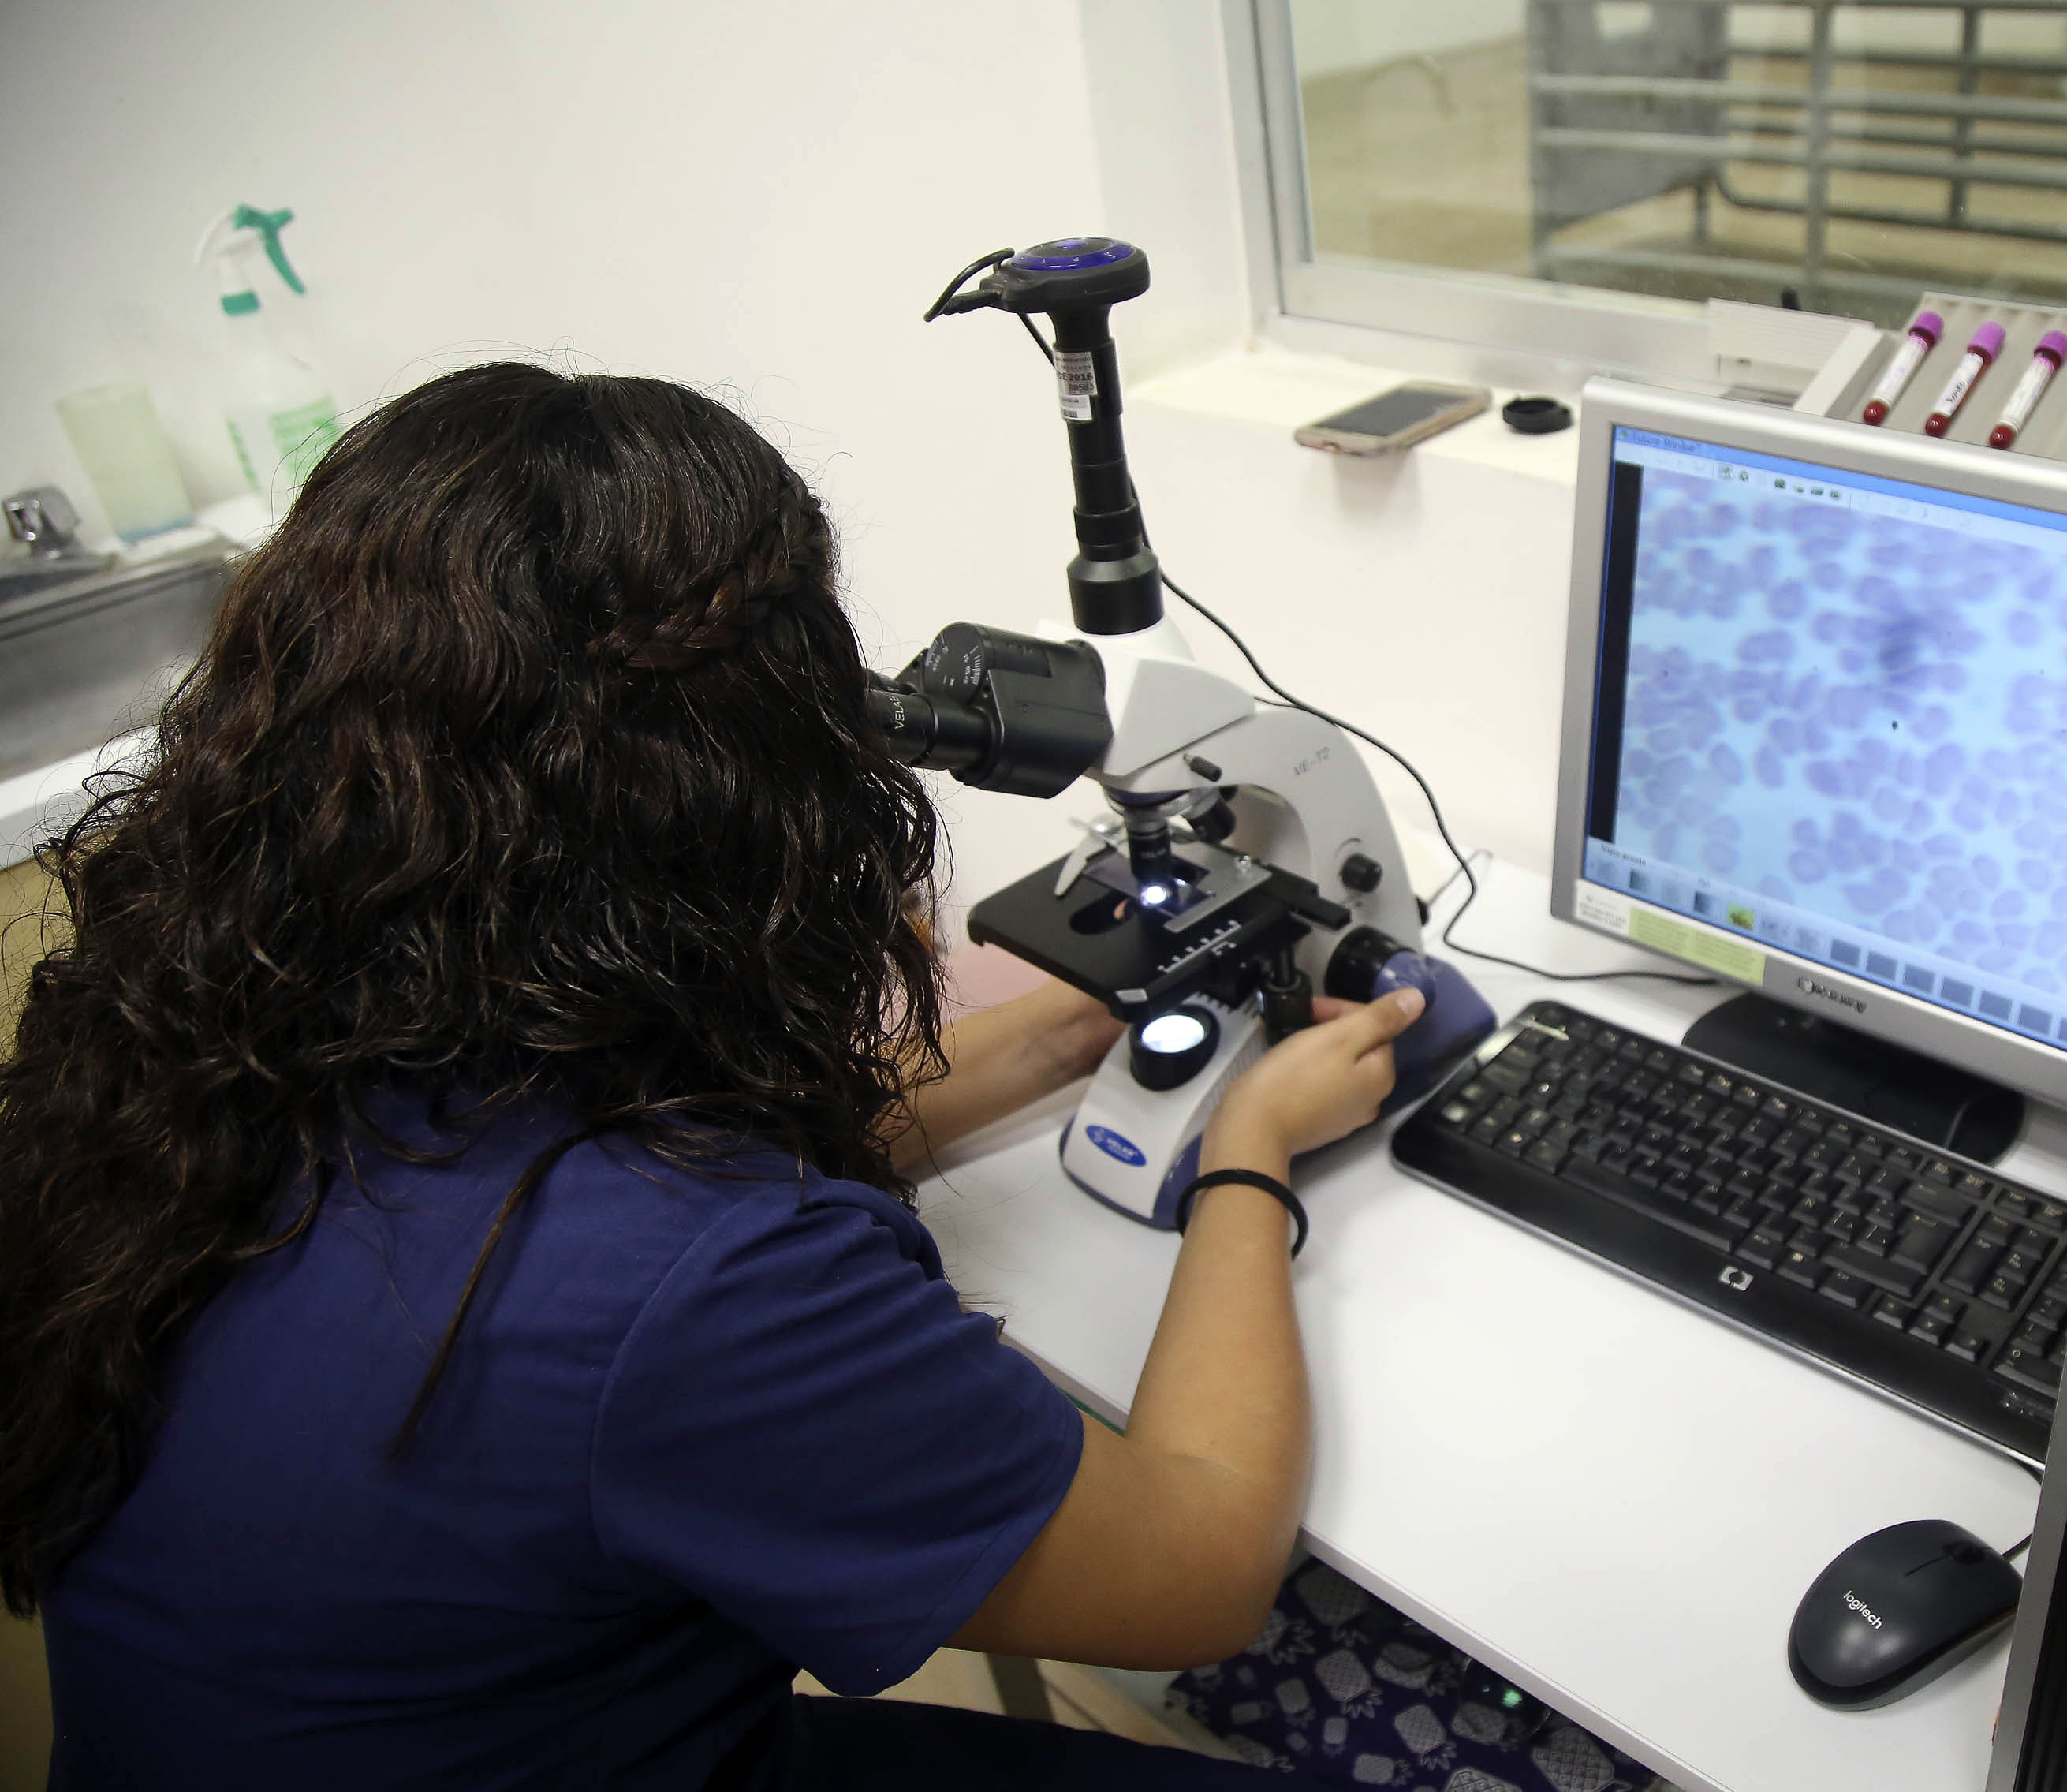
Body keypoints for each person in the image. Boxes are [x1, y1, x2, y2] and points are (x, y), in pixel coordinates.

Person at [0, 363, 1421, 1787]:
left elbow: (585, 1185)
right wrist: (1249, 1149)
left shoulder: (182, 1051)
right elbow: (1199, 1567)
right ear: (756, 780)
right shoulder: (699, 1290)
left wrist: (1058, 1035)